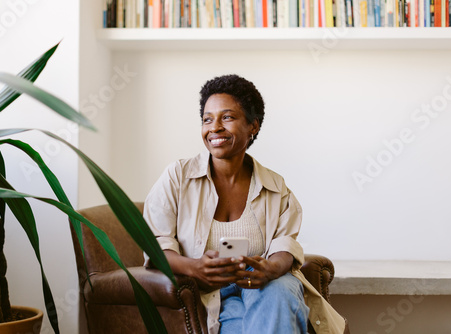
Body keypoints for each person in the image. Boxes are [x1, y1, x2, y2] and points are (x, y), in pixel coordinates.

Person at [143, 74, 346, 334]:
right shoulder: (177, 177)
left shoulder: (275, 186)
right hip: (209, 294)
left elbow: (285, 246)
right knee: (241, 325)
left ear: (253, 126)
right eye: (207, 119)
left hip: (264, 286)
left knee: (279, 292)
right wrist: (195, 267)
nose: (214, 127)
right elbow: (155, 245)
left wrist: (271, 268)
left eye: (227, 117)